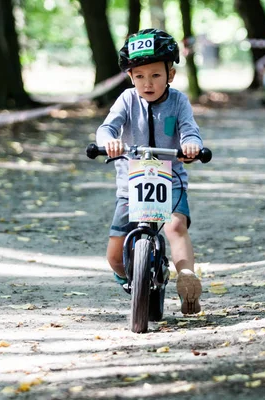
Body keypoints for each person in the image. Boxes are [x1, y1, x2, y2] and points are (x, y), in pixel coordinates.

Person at [96, 29, 203, 315]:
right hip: (132, 181)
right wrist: (109, 142)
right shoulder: (127, 100)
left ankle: (186, 279)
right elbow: (106, 128)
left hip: (171, 177)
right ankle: (129, 279)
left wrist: (191, 146)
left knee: (176, 226)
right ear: (130, 77)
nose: (147, 83)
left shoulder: (178, 101)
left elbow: (190, 131)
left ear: (171, 74)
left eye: (155, 75)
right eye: (139, 75)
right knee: (115, 256)